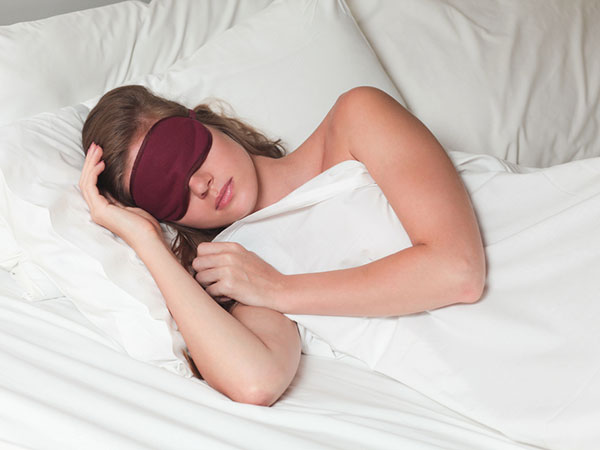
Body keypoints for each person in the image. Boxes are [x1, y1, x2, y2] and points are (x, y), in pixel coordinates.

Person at [79, 84, 486, 406]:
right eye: (167, 193)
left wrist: (279, 288)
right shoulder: (242, 268)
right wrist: (147, 241)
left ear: (201, 121)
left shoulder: (356, 117)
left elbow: (458, 270)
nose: (199, 184)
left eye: (182, 152)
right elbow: (255, 381)